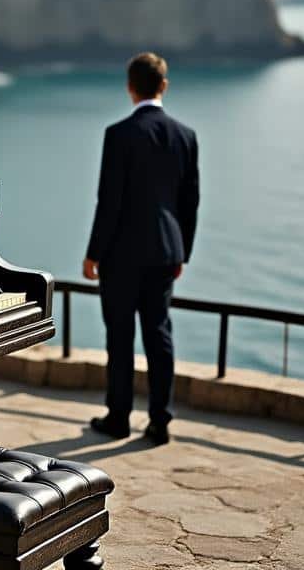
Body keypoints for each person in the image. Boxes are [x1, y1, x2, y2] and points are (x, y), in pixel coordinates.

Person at [82, 52, 199, 446]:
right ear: (163, 86)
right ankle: (160, 421)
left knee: (120, 336)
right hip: (166, 252)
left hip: (121, 254)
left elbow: (109, 201)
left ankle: (118, 418)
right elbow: (190, 203)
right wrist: (182, 253)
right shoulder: (186, 136)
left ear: (130, 87)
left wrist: (94, 253)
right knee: (159, 334)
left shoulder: (119, 134)